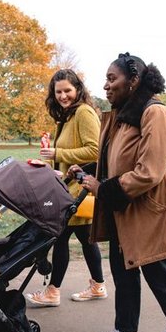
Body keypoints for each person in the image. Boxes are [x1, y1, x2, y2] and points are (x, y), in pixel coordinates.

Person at [78, 53, 166, 332]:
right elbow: (114, 159)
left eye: (112, 79)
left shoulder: (154, 112)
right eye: (105, 79)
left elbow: (150, 171)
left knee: (157, 270)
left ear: (133, 80)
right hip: (124, 206)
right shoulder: (123, 114)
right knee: (123, 270)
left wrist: (103, 188)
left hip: (150, 208)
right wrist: (86, 172)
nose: (106, 86)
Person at [26, 69, 106, 307]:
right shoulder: (66, 116)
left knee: (60, 238)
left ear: (78, 90)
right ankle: (98, 285)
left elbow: (95, 150)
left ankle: (53, 291)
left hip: (78, 190)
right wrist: (49, 163)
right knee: (85, 238)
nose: (63, 96)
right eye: (58, 91)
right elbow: (65, 154)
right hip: (69, 188)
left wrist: (58, 153)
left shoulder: (83, 113)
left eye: (67, 91)